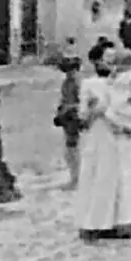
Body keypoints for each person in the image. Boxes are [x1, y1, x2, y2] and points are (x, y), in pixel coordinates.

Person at [72, 48, 131, 241]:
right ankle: (97, 223)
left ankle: (126, 221)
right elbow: (83, 117)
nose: (111, 62)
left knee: (125, 177)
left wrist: (129, 120)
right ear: (96, 62)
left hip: (121, 137)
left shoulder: (126, 82)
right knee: (101, 177)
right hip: (100, 136)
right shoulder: (89, 84)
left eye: (113, 59)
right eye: (106, 58)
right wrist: (96, 111)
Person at [53, 55, 84, 190]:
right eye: (67, 70)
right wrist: (60, 111)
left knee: (75, 149)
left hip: (75, 118)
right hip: (67, 119)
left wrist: (68, 108)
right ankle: (74, 177)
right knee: (69, 150)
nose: (70, 73)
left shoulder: (78, 83)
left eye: (72, 70)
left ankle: (78, 178)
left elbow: (81, 103)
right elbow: (64, 99)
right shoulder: (66, 83)